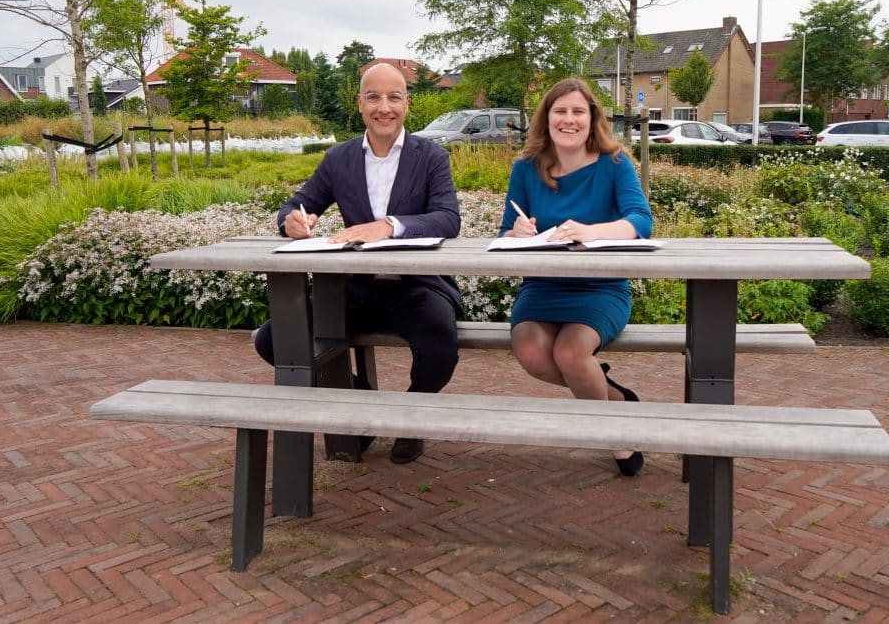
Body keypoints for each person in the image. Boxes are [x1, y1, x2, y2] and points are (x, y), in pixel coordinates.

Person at [253, 62, 462, 464]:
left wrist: (388, 226)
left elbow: (448, 218)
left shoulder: (431, 156)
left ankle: (409, 418)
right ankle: (365, 406)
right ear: (360, 104)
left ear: (407, 103)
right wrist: (291, 221)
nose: (384, 107)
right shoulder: (339, 158)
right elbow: (297, 205)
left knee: (440, 346)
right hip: (354, 288)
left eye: (393, 97)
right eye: (373, 97)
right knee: (272, 340)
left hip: (415, 285)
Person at [499, 78, 653, 476]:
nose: (569, 119)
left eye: (577, 111)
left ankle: (614, 436)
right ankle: (614, 397)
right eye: (560, 111)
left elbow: (641, 221)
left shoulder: (614, 163)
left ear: (592, 118)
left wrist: (592, 230)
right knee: (531, 353)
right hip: (542, 286)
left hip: (599, 288)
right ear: (546, 119)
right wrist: (516, 234)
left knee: (571, 354)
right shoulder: (526, 168)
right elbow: (503, 232)